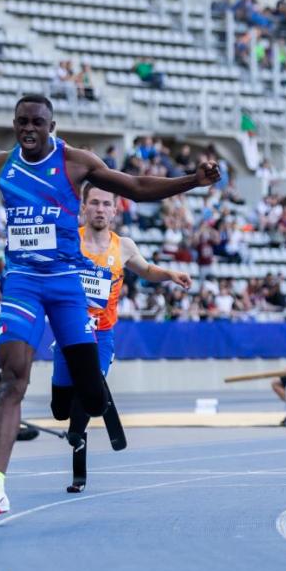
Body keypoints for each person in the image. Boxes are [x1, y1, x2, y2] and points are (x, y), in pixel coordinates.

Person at [0, 95, 220, 519]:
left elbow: (136, 187)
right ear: (15, 124)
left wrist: (192, 181)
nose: (29, 129)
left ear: (51, 125)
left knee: (91, 397)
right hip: (22, 283)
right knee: (12, 381)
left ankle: (87, 397)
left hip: (66, 284)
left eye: (37, 122)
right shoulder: (3, 164)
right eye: (22, 122)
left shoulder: (76, 162)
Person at [53, 184, 193, 492]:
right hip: (68, 333)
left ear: (115, 211)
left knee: (87, 396)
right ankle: (74, 423)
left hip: (101, 336)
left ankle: (77, 445)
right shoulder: (68, 240)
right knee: (59, 408)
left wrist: (169, 274)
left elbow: (145, 270)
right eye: (95, 203)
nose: (100, 209)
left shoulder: (124, 246)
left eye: (106, 204)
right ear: (84, 208)